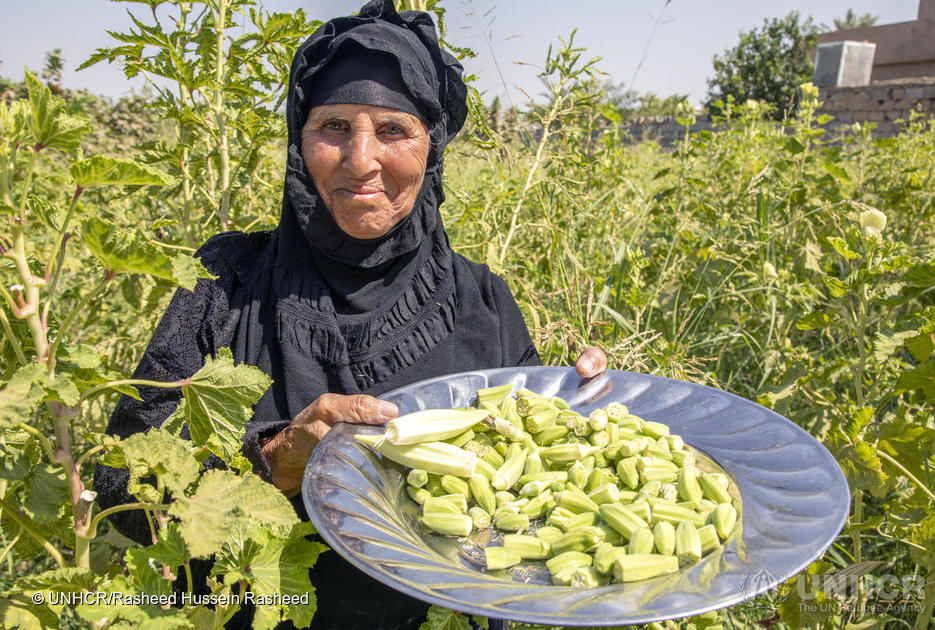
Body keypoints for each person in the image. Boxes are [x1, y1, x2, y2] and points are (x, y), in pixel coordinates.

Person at [93, 0, 607, 628]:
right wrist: (272, 461)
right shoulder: (225, 282)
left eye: (393, 130)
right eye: (334, 126)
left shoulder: (484, 301)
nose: (361, 160)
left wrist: (583, 405)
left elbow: (539, 472)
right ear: (298, 142)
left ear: (432, 146)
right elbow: (118, 481)